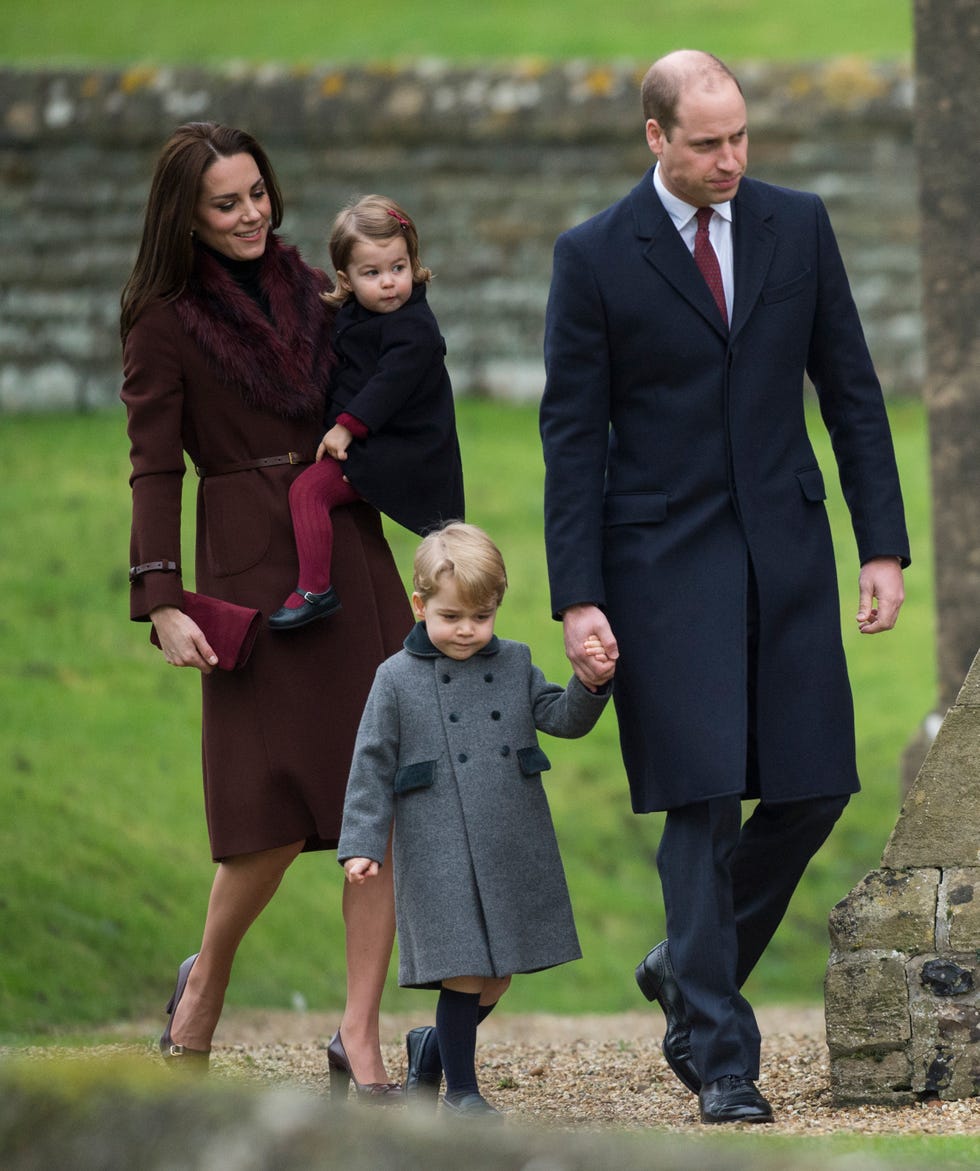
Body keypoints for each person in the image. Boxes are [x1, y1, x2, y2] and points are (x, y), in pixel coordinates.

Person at [539, 50, 910, 1125]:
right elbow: (569, 440)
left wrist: (877, 546)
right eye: (705, 143)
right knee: (698, 798)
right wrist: (579, 596)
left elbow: (849, 388)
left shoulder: (796, 225)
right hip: (657, 566)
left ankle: (683, 965)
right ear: (653, 138)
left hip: (786, 553)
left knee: (812, 783)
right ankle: (718, 1056)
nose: (730, 160)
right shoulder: (594, 256)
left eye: (739, 136)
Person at [120, 121, 412, 1099]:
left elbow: (394, 374)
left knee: (378, 810)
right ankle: (204, 983)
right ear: (185, 216)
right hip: (247, 570)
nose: (250, 215)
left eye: (256, 195)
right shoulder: (161, 321)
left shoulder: (314, 288)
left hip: (349, 555)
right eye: (225, 203)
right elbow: (155, 465)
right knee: (265, 819)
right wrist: (160, 598)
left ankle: (360, 1035)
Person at [337, 522, 614, 1116]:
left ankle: (430, 1048)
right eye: (452, 616)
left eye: (481, 616)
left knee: (497, 977)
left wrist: (591, 683)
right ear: (420, 606)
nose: (467, 630)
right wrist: (361, 844)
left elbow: (562, 718)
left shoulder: (514, 662)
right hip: (437, 844)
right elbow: (370, 764)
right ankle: (462, 1092)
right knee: (463, 972)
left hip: (511, 838)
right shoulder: (395, 678)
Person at [269, 195, 464, 631]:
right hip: (378, 442)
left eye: (398, 268)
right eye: (372, 273)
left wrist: (345, 427)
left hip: (400, 450)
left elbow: (387, 385)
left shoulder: (415, 328)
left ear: (413, 262)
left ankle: (315, 589)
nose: (390, 282)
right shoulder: (355, 316)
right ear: (346, 278)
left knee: (308, 493)